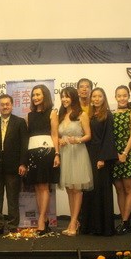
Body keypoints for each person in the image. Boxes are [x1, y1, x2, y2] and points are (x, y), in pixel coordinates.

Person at [0, 94, 28, 235]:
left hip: (14, 167)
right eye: (2, 104)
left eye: (7, 104)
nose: (5, 106)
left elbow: (24, 145)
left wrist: (23, 163)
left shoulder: (20, 122)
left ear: (12, 105)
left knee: (13, 199)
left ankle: (13, 226)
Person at [80, 87, 118, 236]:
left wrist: (102, 158)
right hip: (89, 155)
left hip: (102, 157)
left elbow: (109, 138)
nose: (96, 99)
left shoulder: (107, 115)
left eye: (99, 96)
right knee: (90, 191)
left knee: (102, 191)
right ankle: (90, 226)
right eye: (94, 96)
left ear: (104, 98)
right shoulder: (89, 115)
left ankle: (104, 228)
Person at [57, 86, 93, 236]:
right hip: (65, 154)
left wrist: (77, 140)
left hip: (78, 153)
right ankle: (74, 220)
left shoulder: (81, 114)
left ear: (73, 97)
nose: (64, 99)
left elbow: (88, 135)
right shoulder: (61, 115)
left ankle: (73, 222)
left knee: (77, 189)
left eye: (67, 96)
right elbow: (57, 135)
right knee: (69, 189)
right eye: (62, 97)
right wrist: (60, 141)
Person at [25, 84, 60, 234]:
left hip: (47, 152)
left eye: (38, 94)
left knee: (44, 186)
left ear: (45, 95)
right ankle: (44, 219)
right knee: (37, 187)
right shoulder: (29, 115)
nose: (35, 97)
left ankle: (40, 220)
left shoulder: (52, 113)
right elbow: (27, 136)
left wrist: (57, 154)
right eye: (33, 95)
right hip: (32, 152)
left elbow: (55, 134)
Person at [112, 85, 131, 234]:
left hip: (127, 154)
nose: (122, 98)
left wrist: (125, 153)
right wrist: (115, 154)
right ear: (115, 97)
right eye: (119, 96)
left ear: (128, 96)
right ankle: (123, 221)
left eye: (124, 95)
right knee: (119, 190)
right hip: (114, 155)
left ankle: (126, 220)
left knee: (128, 189)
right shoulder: (112, 114)